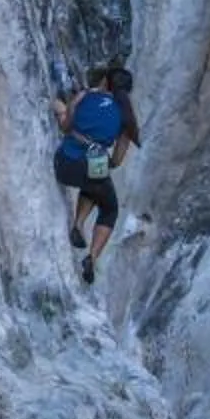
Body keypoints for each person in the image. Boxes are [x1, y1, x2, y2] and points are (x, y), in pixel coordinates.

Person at [53, 62, 140, 282]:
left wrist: (70, 106)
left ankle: (78, 224)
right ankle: (91, 256)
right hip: (92, 168)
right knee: (108, 205)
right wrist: (103, 155)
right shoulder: (126, 118)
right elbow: (117, 161)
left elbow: (65, 127)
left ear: (105, 82)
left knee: (93, 180)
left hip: (64, 164)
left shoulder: (86, 99)